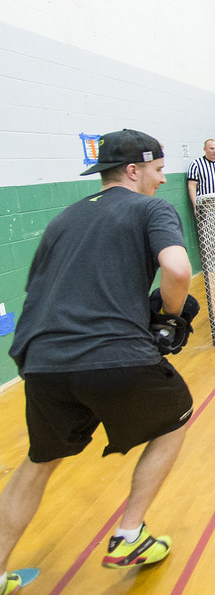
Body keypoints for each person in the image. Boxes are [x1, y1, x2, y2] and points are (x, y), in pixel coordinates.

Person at [3, 129, 197, 592]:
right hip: (111, 351)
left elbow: (42, 290)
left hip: (42, 359)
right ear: (133, 171)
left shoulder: (63, 218)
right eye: (157, 170)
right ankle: (129, 534)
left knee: (39, 460)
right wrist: (171, 318)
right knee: (177, 418)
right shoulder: (150, 208)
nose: (163, 179)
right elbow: (177, 269)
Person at [186, 138, 215, 213]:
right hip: (205, 205)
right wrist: (195, 205)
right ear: (204, 149)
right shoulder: (196, 164)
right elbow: (192, 186)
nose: (214, 151)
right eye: (211, 149)